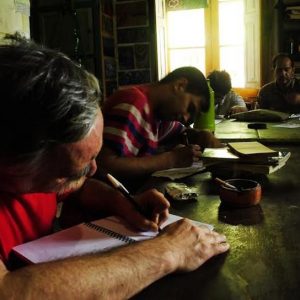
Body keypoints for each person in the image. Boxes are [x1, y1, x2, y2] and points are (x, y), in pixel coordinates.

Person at [0, 35, 229, 298]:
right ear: (13, 160)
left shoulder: (40, 174)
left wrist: (121, 202)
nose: (95, 170)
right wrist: (167, 252)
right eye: (71, 171)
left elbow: (75, 189)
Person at [98, 66, 224, 188]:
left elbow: (182, 132)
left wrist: (201, 135)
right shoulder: (134, 104)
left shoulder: (158, 115)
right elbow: (105, 166)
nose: (186, 118)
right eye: (190, 108)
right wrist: (171, 159)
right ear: (180, 85)